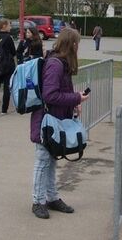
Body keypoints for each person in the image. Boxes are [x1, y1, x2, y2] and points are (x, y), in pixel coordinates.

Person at [30, 28, 89, 219]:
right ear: (71, 44)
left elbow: (58, 92)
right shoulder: (56, 64)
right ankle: (38, 201)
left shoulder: (60, 62)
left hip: (54, 119)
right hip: (46, 120)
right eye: (77, 43)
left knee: (52, 160)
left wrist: (74, 102)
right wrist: (75, 98)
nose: (78, 47)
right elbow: (50, 94)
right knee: (43, 161)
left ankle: (51, 197)